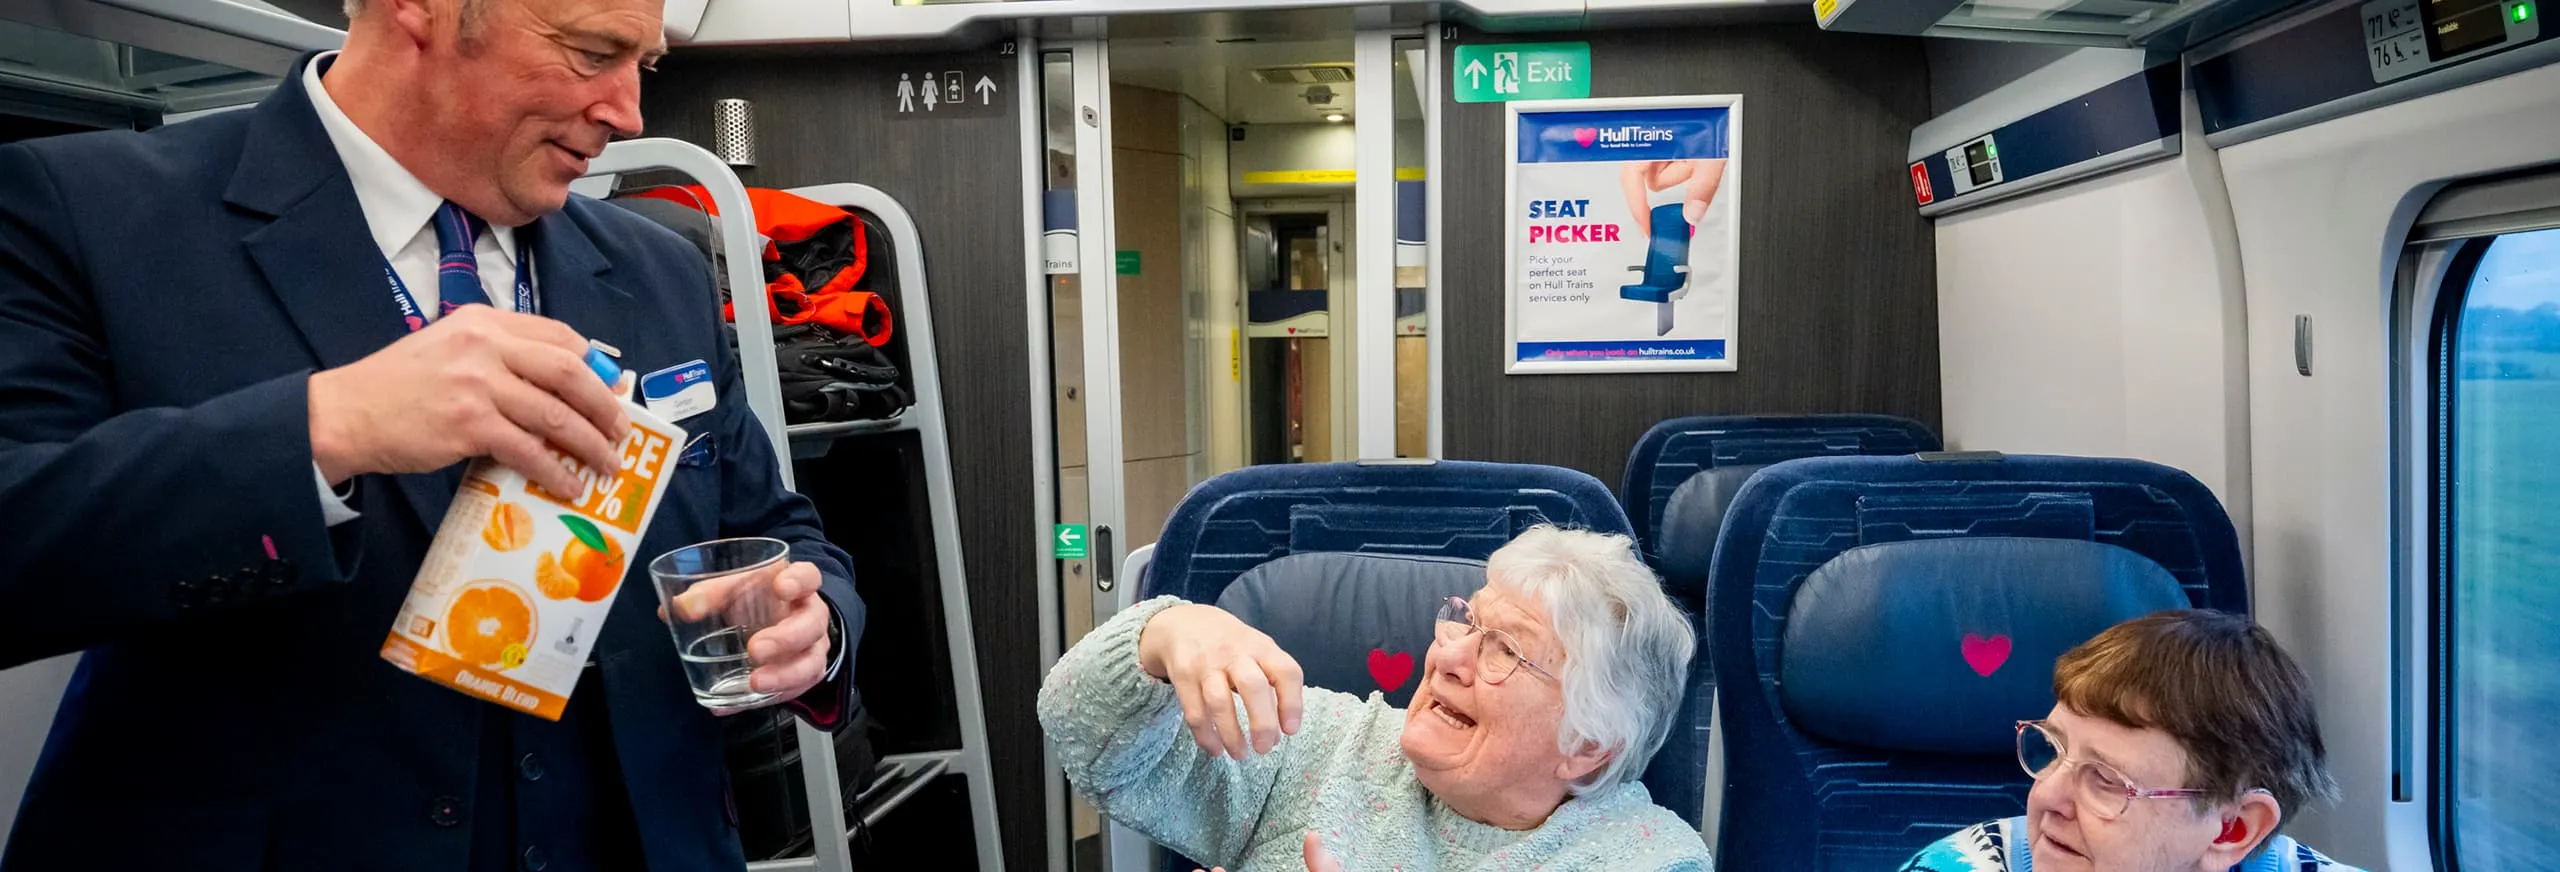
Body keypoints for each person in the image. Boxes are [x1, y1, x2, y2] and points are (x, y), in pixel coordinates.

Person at [0, 0, 862, 869]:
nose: (629, 113)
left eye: (642, 64)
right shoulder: (85, 211)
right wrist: (326, 428)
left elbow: (774, 527)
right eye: (592, 52)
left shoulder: (660, 268)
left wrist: (810, 619)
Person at [1038, 525, 1710, 872]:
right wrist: (1164, 635)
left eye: (1503, 650)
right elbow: (1078, 730)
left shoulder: (1644, 857)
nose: (1447, 656)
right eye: (1467, 622)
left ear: (1588, 745)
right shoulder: (1320, 744)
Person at [1898, 610, 2364, 872]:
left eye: (2105, 779)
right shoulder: (1955, 865)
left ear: (2231, 829)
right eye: (2053, 749)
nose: (2047, 796)